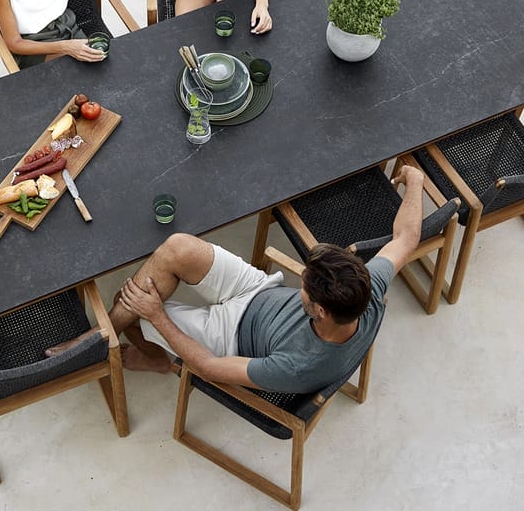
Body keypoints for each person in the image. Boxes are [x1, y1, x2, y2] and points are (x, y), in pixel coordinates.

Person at [47, 165, 425, 395]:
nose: (302, 286)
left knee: (132, 300)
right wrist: (416, 180)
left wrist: (158, 315)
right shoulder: (365, 290)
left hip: (229, 340)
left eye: (306, 288)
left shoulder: (300, 366)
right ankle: (101, 335)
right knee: (178, 247)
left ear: (321, 310)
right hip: (256, 290)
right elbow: (406, 237)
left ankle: (147, 356)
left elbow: (211, 369)